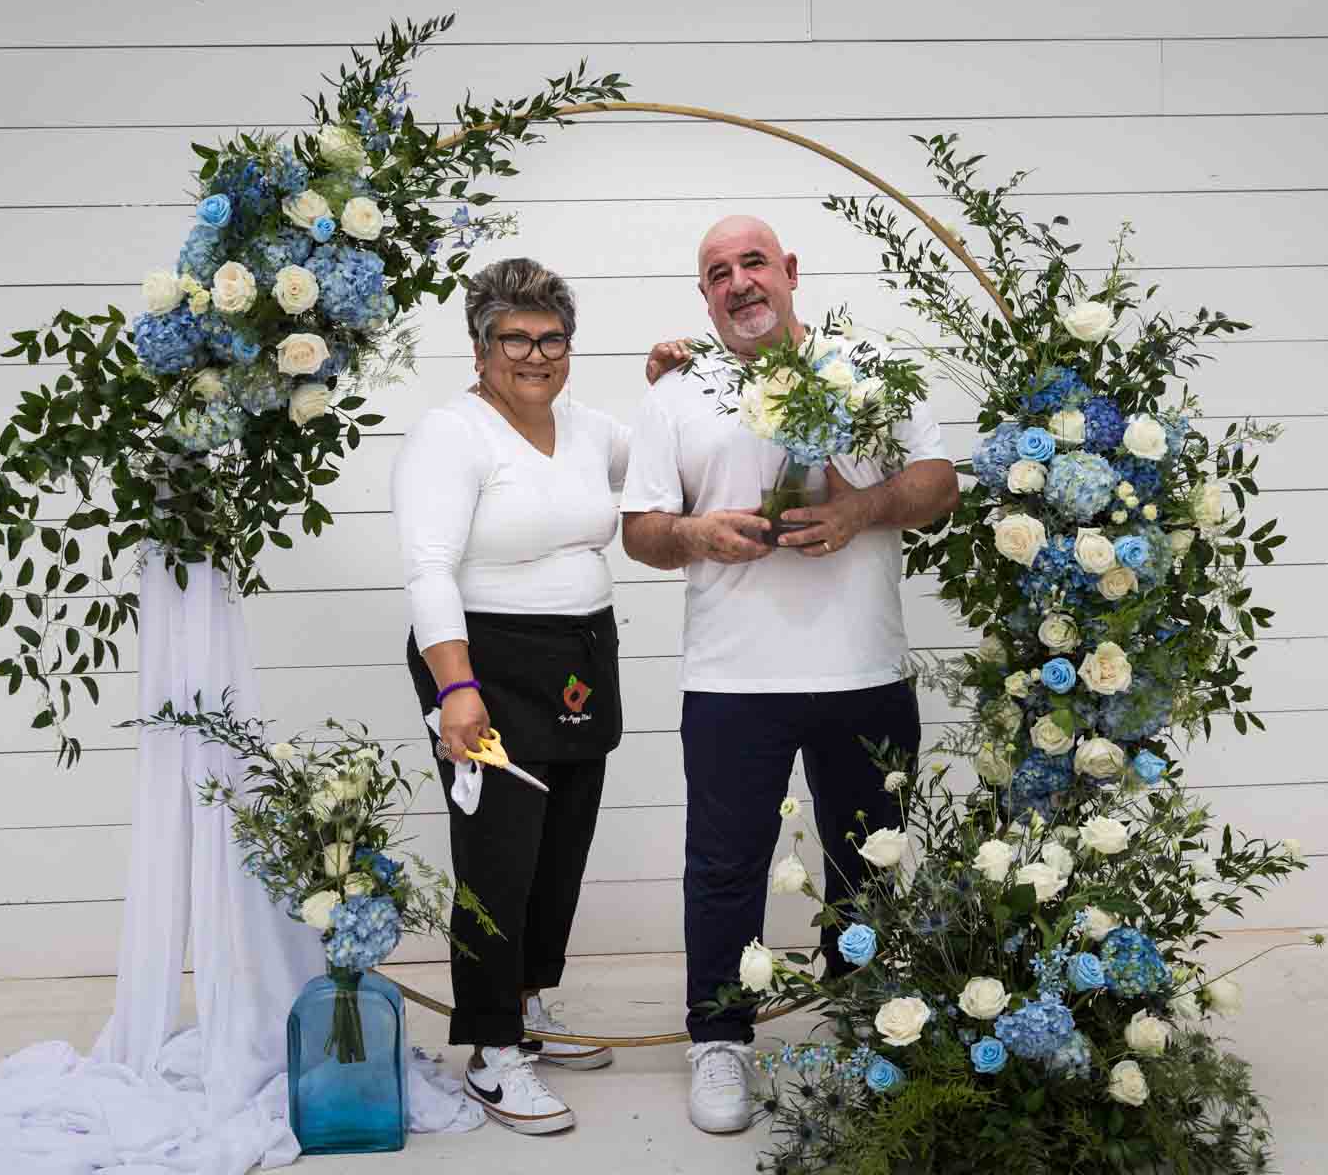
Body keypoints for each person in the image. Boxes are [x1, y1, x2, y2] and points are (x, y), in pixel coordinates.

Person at [620, 216, 961, 1134]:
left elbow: (939, 484)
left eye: (754, 262)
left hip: (864, 670)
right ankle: (720, 1041)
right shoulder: (680, 392)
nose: (739, 282)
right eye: (718, 272)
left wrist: (863, 508)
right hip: (733, 681)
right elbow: (642, 527)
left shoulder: (870, 368)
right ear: (705, 297)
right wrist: (694, 533)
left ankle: (861, 1022)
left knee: (867, 862)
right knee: (725, 868)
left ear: (791, 272)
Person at [393, 257, 644, 1135]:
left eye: (552, 338)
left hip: (579, 662)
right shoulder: (452, 435)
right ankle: (492, 1051)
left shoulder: (587, 429)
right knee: (497, 859)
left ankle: (529, 1005)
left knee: (559, 848)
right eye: (516, 337)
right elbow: (429, 570)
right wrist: (456, 688)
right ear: (480, 344)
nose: (535, 354)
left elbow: (662, 453)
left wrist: (682, 376)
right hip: (484, 667)